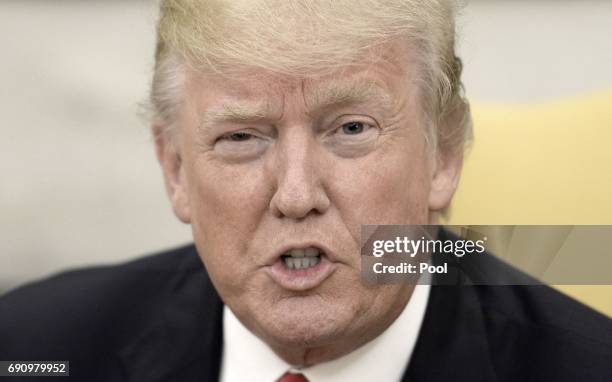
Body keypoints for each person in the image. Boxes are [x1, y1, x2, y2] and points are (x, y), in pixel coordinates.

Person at [1, 1, 611, 381]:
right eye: (242, 136)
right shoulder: (33, 349)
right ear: (176, 169)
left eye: (350, 129)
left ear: (444, 153)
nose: (295, 195)